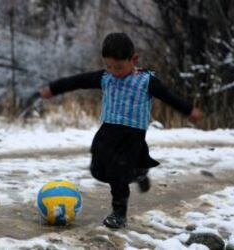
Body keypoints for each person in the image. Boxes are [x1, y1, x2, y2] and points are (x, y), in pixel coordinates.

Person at [38, 32, 202, 229]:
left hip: (131, 136)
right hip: (107, 131)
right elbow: (77, 81)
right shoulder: (105, 78)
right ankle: (139, 172)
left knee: (118, 174)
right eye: (109, 66)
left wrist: (188, 110)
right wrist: (53, 89)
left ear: (133, 60)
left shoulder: (146, 81)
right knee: (97, 170)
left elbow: (169, 97)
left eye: (119, 66)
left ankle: (119, 213)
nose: (113, 71)